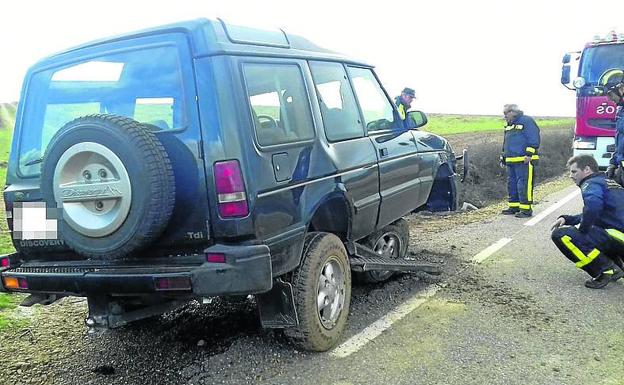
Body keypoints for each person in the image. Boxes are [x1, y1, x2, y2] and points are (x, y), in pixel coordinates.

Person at [551, 155, 624, 289]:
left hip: (618, 236)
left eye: (574, 171)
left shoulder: (590, 183)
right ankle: (617, 265)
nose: (570, 176)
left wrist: (582, 231)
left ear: (587, 169)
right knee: (595, 228)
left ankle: (604, 269)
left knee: (561, 235)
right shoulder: (608, 182)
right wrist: (568, 219)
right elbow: (600, 213)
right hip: (618, 236)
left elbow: (593, 207)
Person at [500, 104, 541, 218]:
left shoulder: (526, 121)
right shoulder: (509, 124)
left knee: (524, 184)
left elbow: (533, 138)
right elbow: (506, 142)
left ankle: (526, 210)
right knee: (512, 184)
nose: (504, 116)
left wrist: (529, 154)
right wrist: (503, 156)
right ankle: (514, 207)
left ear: (513, 112)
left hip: (524, 160)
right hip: (511, 160)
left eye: (505, 113)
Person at [605, 81, 624, 185]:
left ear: (621, 89)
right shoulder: (620, 110)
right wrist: (613, 163)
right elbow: (620, 141)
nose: (609, 99)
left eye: (610, 95)